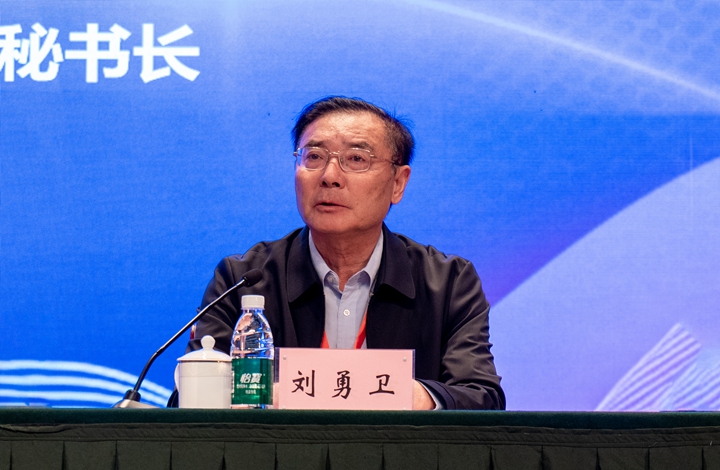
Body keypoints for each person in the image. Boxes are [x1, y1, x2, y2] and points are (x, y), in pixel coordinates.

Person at [186, 96, 505, 410]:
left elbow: (482, 397)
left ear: (398, 183)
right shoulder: (242, 280)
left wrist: (413, 396)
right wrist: (259, 397)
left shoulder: (448, 283)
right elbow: (189, 402)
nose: (330, 177)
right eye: (314, 156)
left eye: (356, 159)